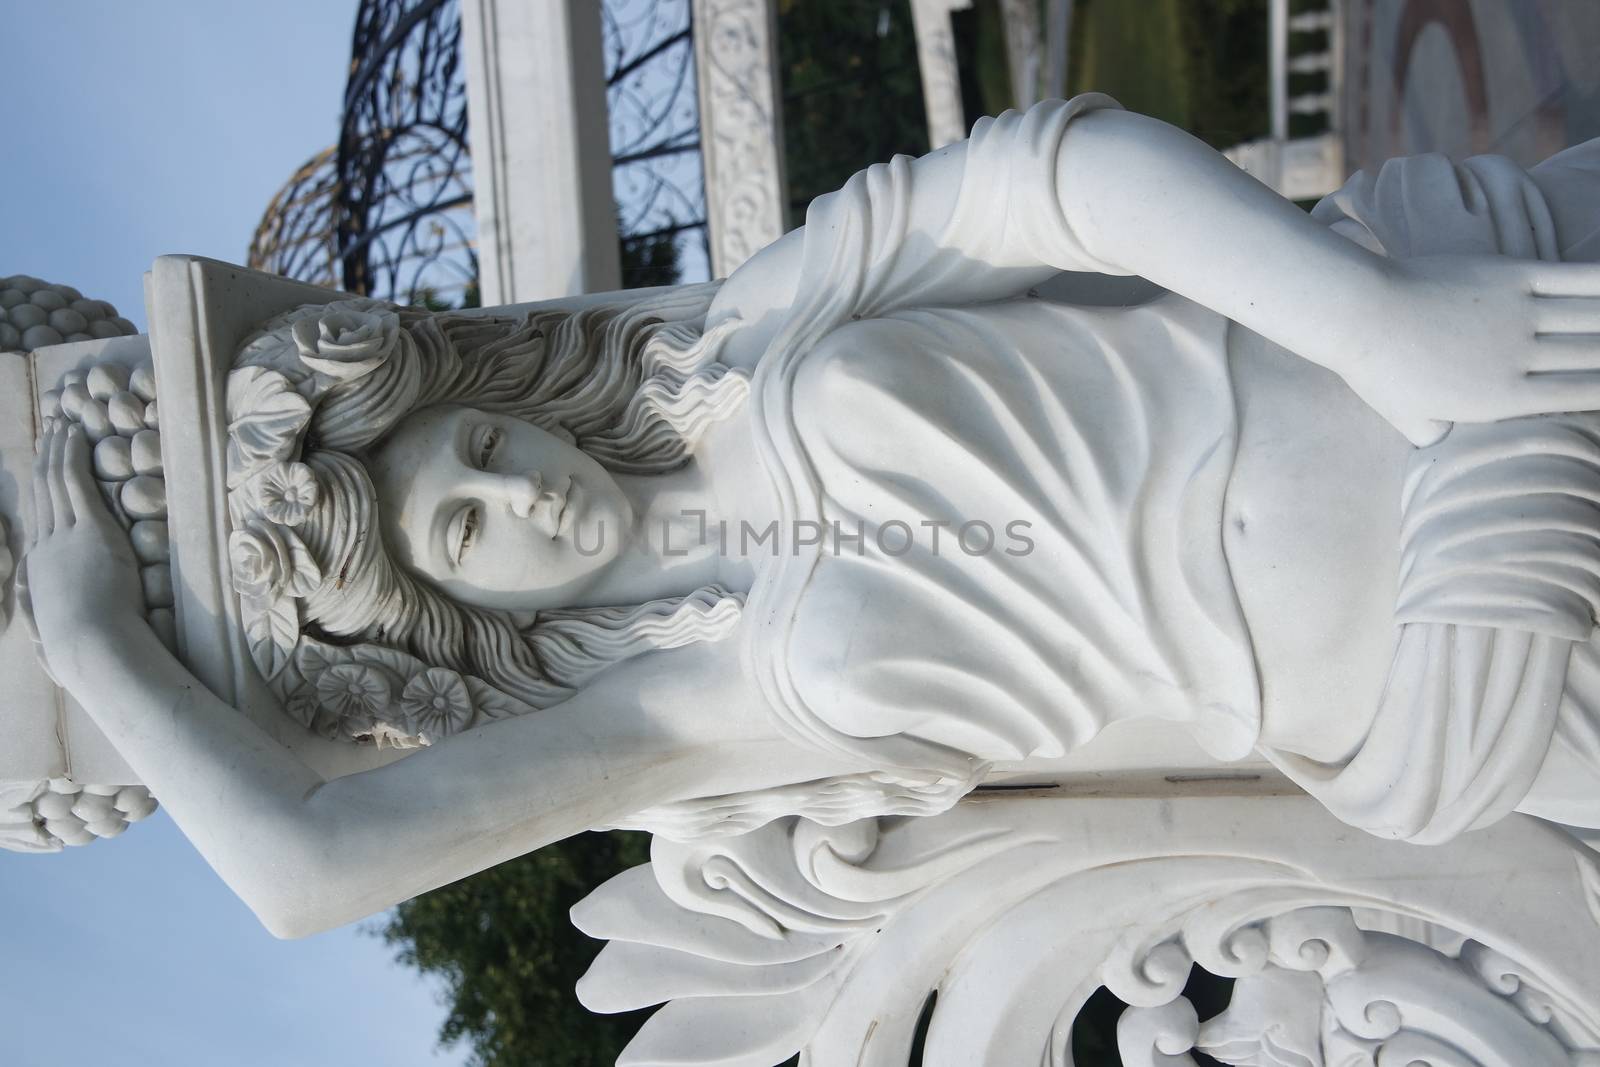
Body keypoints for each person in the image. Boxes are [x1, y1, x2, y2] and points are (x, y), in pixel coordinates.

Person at [23, 96, 1600, 937]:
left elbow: (1045, 173)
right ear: (459, 618)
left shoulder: (747, 346)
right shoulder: (675, 711)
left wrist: (1364, 318)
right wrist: (98, 647)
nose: (520, 493)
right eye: (464, 533)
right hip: (1497, 671)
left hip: (1478, 355)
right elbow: (306, 872)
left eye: (482, 442)